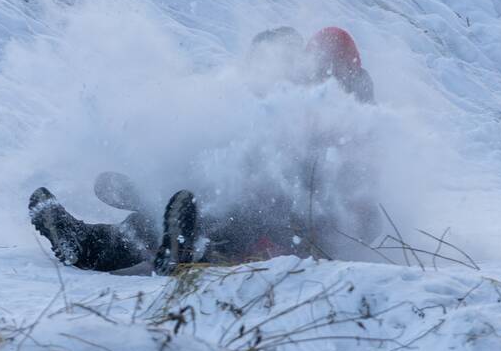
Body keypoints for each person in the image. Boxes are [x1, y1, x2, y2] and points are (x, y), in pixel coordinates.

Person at [29, 26, 376, 274]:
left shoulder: (352, 117)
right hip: (248, 207)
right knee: (189, 208)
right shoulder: (281, 105)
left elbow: (354, 205)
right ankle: (88, 241)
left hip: (294, 234)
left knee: (234, 218)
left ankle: (190, 252)